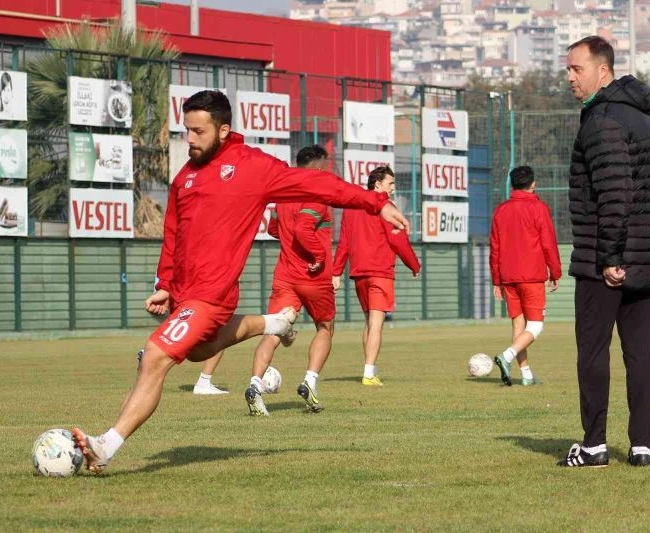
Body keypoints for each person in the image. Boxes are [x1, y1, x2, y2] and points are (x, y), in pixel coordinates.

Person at [71, 90, 409, 474]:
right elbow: (175, 234)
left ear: (223, 129)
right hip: (185, 294)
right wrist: (166, 283)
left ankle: (105, 446)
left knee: (154, 358)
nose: (191, 140)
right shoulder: (185, 177)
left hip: (213, 295)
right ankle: (274, 323)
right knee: (198, 354)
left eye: (199, 131)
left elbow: (319, 186)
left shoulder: (252, 167)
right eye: (187, 131)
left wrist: (376, 203)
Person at [557, 36, 650, 468]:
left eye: (576, 68)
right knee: (640, 354)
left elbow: (614, 192)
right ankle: (642, 446)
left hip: (607, 259)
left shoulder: (601, 119)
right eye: (567, 69)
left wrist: (610, 258)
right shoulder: (642, 118)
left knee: (593, 350)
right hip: (646, 255)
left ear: (603, 71)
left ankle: (594, 445)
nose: (569, 77)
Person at [245, 145, 336, 416]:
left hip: (284, 274)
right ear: (319, 167)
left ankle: (254, 386)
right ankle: (309, 382)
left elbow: (275, 228)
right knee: (325, 327)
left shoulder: (283, 195)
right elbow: (302, 228)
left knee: (273, 331)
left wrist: (289, 240)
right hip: (312, 275)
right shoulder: (317, 193)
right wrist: (317, 254)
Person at [332, 166, 420, 386]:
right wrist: (414, 265)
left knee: (370, 323)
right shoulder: (386, 208)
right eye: (390, 184)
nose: (392, 188)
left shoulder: (351, 209)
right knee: (377, 324)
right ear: (377, 185)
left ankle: (369, 367)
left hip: (359, 273)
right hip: (380, 272)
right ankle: (369, 373)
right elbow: (397, 240)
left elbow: (344, 242)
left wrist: (336, 272)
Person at [490, 165, 561, 386]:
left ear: (512, 184)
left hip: (509, 277)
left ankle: (526, 376)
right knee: (536, 326)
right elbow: (548, 243)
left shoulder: (501, 210)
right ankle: (506, 356)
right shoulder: (538, 208)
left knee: (519, 326)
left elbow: (495, 247)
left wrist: (496, 280)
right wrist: (555, 271)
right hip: (531, 276)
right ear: (533, 184)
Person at [136, 276, 229, 395]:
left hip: (167, 294)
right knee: (220, 334)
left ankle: (150, 354)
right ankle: (204, 383)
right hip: (190, 296)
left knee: (181, 339)